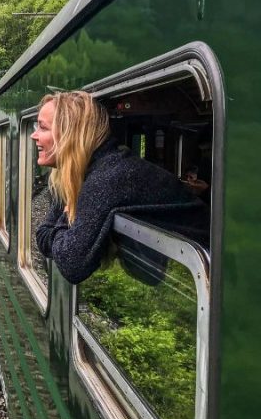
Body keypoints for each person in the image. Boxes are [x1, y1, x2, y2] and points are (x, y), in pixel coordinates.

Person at [32, 91, 209, 284]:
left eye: (43, 127)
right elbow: (42, 234)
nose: (34, 135)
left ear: (71, 134)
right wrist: (66, 228)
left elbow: (71, 264)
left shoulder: (109, 177)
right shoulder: (89, 172)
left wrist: (67, 218)